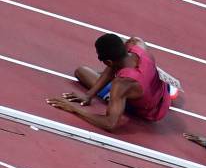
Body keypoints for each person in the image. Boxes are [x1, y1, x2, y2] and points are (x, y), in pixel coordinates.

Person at [46, 33, 177, 131]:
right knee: (83, 71)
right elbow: (114, 65)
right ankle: (167, 88)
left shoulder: (120, 85)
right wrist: (88, 95)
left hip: (150, 111)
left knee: (83, 73)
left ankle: (130, 92)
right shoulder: (138, 46)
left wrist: (74, 109)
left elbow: (110, 123)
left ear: (108, 62)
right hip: (159, 90)